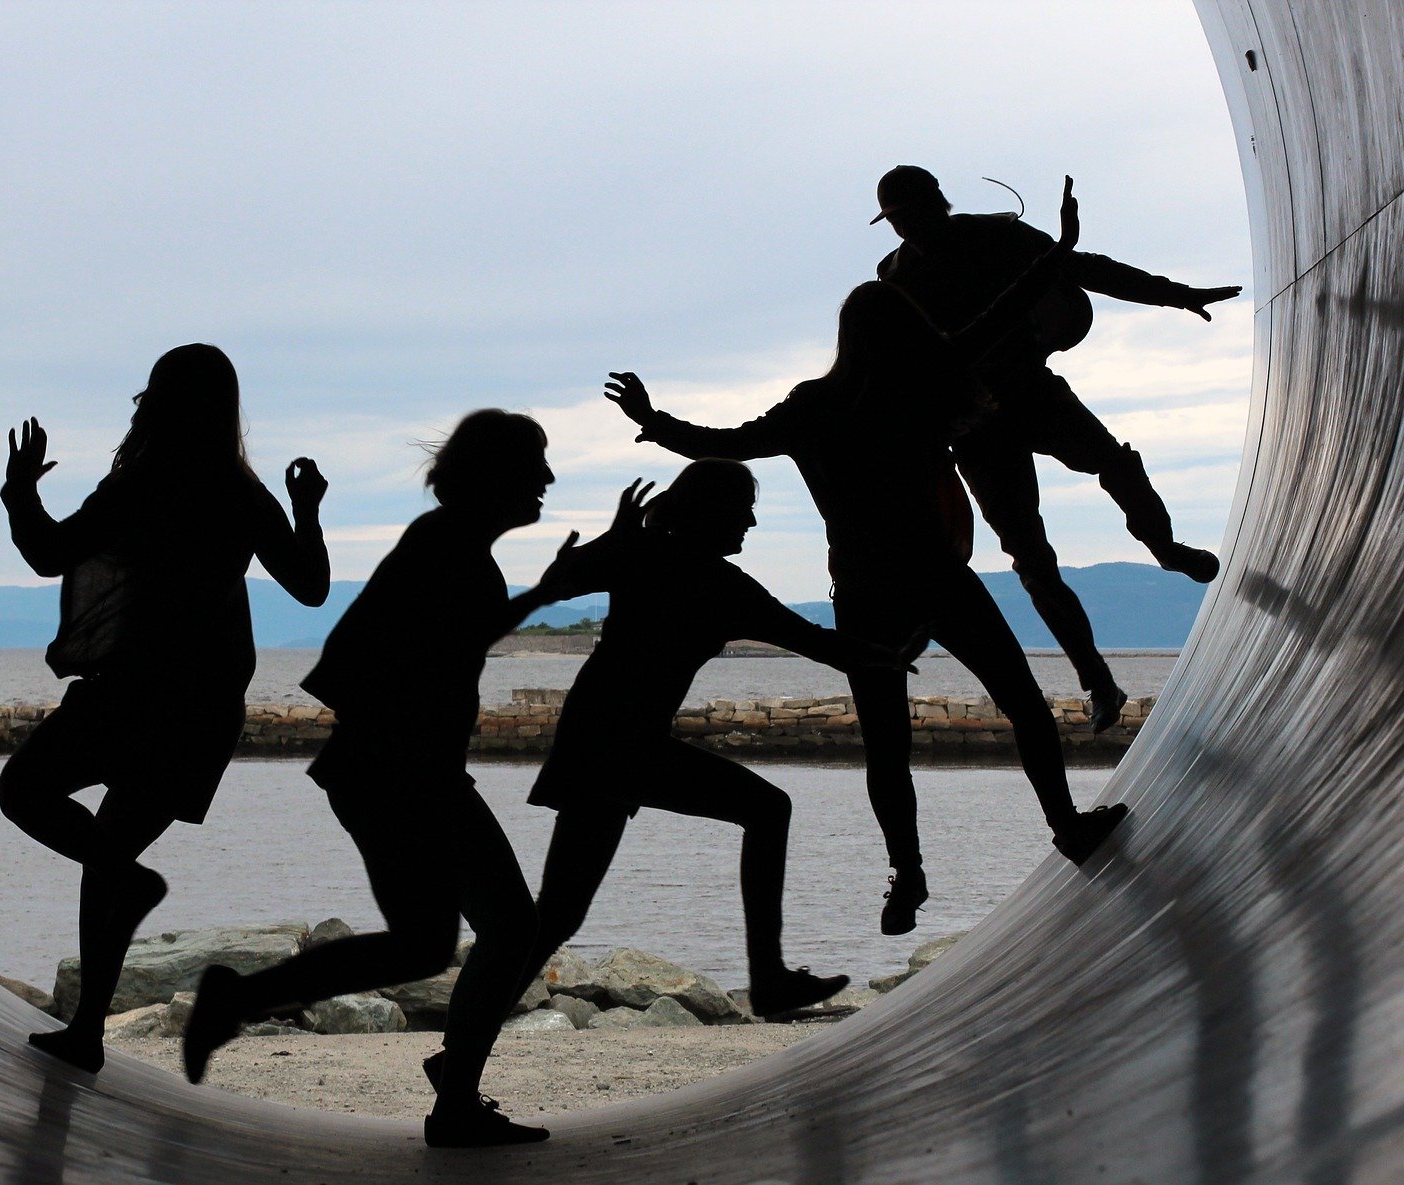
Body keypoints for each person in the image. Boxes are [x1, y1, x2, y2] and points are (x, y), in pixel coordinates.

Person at [608, 178, 1127, 937]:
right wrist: (1062, 254)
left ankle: (907, 875)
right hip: (937, 576)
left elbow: (724, 443)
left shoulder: (811, 407)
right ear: (904, 328)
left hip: (863, 591)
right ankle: (1067, 826)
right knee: (1020, 700)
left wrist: (654, 421)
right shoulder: (926, 386)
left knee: (888, 745)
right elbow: (1002, 314)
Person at [184, 410, 575, 1148]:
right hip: (403, 774)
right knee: (509, 927)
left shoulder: (450, 543)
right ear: (496, 473)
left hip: (386, 772)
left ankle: (240, 998)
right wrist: (551, 589)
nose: (548, 480)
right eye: (537, 465)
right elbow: (423, 644)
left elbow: (449, 634)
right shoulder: (447, 544)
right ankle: (453, 1098)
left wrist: (547, 590)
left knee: (425, 944)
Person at [0, 343, 329, 1076]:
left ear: (158, 402)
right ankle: (87, 1024)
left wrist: (19, 489)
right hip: (203, 709)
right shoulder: (242, 492)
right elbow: (310, 585)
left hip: (131, 692)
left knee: (23, 790)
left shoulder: (141, 483)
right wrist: (307, 510)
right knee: (110, 853)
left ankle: (91, 1012)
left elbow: (50, 552)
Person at [518, 463, 919, 1020]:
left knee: (560, 913)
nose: (752, 522)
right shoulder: (711, 581)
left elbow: (555, 584)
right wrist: (890, 654)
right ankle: (770, 981)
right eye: (743, 510)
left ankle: (466, 1034)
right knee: (764, 810)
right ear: (713, 512)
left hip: (604, 739)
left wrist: (614, 540)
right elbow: (824, 645)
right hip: (617, 745)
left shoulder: (652, 556)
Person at [872, 164, 1242, 732]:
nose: (905, 230)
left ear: (939, 203)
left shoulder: (998, 235)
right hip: (972, 429)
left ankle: (1166, 549)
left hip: (1032, 392)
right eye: (896, 222)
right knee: (1032, 561)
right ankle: (1097, 681)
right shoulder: (892, 276)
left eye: (911, 215)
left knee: (1115, 463)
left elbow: (1083, 269)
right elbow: (903, 368)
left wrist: (1174, 295)